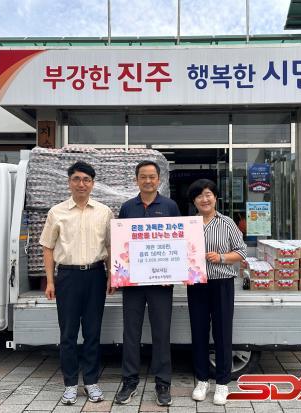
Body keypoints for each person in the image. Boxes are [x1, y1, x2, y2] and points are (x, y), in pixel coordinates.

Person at [40, 161, 114, 405]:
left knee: (93, 332)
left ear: (93, 184)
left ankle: (91, 382)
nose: (81, 184)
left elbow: (110, 246)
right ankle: (70, 384)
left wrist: (111, 275)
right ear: (69, 182)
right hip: (68, 277)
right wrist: (50, 281)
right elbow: (48, 247)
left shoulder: (104, 212)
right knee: (68, 334)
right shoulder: (57, 212)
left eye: (86, 180)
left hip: (95, 275)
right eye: (77, 179)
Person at [114, 160, 180, 407]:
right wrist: (118, 274)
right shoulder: (127, 207)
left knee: (161, 333)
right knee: (131, 333)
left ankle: (163, 383)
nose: (148, 181)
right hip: (132, 283)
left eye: (152, 176)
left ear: (159, 179)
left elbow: (178, 243)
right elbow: (120, 244)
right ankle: (129, 380)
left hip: (161, 284)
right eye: (143, 176)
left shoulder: (170, 206)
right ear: (136, 180)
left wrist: (172, 273)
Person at [186, 179, 247, 405]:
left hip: (222, 282)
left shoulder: (227, 223)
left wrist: (221, 257)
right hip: (196, 283)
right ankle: (202, 380)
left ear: (215, 197)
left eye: (208, 194)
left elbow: (241, 252)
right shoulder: (188, 224)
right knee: (199, 332)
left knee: (222, 332)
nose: (204, 199)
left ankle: (222, 383)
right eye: (199, 196)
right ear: (194, 201)